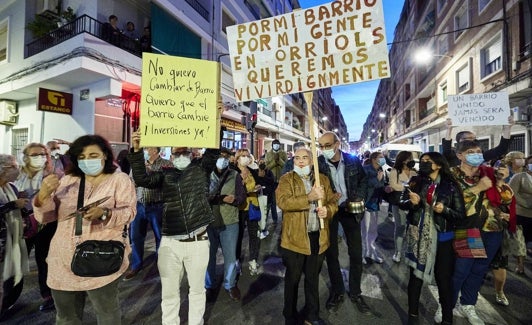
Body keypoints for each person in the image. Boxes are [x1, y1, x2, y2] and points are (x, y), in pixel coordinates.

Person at [33, 135, 136, 324]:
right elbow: (45, 217)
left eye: (93, 155)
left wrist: (104, 213)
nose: (87, 160)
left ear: (105, 155)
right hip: (62, 260)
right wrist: (42, 196)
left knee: (107, 313)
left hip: (101, 258)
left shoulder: (119, 180)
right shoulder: (68, 180)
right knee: (66, 317)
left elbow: (129, 213)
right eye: (82, 157)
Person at [128, 131, 217, 325]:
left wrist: (216, 121)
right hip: (170, 244)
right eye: (177, 153)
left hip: (198, 241)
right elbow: (142, 179)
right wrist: (136, 151)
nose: (181, 156)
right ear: (171, 156)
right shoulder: (165, 175)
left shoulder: (201, 170)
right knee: (169, 293)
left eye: (185, 152)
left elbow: (213, 151)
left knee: (197, 290)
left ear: (192, 154)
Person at [450, 140, 515, 325]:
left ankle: (468, 304)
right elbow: (455, 203)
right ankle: (448, 304)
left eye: (479, 151)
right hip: (468, 229)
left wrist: (501, 182)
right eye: (471, 151)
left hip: (493, 228)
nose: (477, 154)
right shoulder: (452, 175)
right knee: (461, 270)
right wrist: (478, 188)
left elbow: (507, 198)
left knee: (479, 270)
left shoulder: (489, 172)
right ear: (460, 155)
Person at [399, 152, 465, 325]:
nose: (423, 163)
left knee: (443, 280)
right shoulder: (416, 181)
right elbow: (401, 202)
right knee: (415, 278)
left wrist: (444, 210)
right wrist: (413, 203)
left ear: (439, 165)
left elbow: (460, 215)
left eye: (428, 161)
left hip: (443, 239)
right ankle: (412, 316)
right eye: (422, 161)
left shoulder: (450, 186)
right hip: (418, 238)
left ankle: (447, 319)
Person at [277, 148, 337, 325]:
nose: (301, 161)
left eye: (305, 158)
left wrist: (328, 210)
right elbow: (283, 202)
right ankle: (290, 315)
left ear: (311, 161)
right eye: (297, 158)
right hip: (294, 239)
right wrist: (309, 197)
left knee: (312, 280)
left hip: (317, 238)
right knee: (292, 280)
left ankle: (312, 315)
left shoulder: (323, 179)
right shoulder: (286, 179)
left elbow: (333, 202)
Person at [317, 131, 369, 314]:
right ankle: (338, 291)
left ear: (337, 144)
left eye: (328, 146)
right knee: (332, 254)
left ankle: (355, 292)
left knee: (356, 253)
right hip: (331, 211)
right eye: (321, 146)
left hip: (350, 210)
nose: (324, 150)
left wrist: (359, 198)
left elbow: (363, 180)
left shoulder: (352, 160)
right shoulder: (319, 164)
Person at [15, 143, 64, 312]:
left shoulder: (54, 173)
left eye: (43, 154)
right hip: (23, 224)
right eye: (35, 154)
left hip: (47, 223)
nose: (40, 157)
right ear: (26, 157)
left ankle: (48, 295)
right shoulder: (18, 174)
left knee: (45, 261)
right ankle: (9, 297)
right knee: (18, 262)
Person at [124, 147, 173, 281]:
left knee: (160, 238)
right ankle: (136, 265)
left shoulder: (166, 164)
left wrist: (151, 176)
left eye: (149, 147)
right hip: (139, 205)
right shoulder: (139, 164)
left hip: (157, 205)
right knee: (136, 237)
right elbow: (131, 182)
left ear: (156, 150)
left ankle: (161, 265)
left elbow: (170, 184)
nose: (146, 149)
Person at [205, 148, 246, 302]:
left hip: (230, 221)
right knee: (209, 257)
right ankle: (208, 285)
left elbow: (242, 197)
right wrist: (221, 198)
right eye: (220, 156)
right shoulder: (206, 174)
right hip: (209, 221)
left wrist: (234, 200)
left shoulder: (235, 175)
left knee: (230, 256)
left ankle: (230, 284)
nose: (223, 159)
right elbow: (202, 196)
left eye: (226, 156)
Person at [0, 154, 29, 314]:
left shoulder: (11, 187)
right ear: (4, 169)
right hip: (2, 241)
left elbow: (19, 209)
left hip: (15, 237)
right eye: (15, 166)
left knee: (13, 274)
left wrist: (22, 208)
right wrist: (12, 205)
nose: (18, 169)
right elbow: (9, 207)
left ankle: (7, 304)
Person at [442, 116, 514, 167]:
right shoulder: (452, 154)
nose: (473, 141)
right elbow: (446, 150)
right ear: (460, 140)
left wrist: (507, 129)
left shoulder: (479, 156)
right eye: (469, 138)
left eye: (474, 138)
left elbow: (501, 149)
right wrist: (449, 130)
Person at [233, 149, 262, 276]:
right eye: (242, 156)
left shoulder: (251, 171)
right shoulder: (233, 172)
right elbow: (234, 190)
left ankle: (253, 260)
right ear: (237, 158)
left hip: (252, 206)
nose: (245, 158)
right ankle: (236, 261)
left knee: (253, 235)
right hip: (240, 208)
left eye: (247, 156)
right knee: (237, 237)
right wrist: (243, 182)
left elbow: (259, 182)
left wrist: (258, 187)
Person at [388, 150, 417, 262]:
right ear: (403, 159)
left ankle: (410, 252)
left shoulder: (414, 172)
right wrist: (407, 187)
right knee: (400, 227)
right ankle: (398, 252)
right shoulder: (395, 171)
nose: (411, 161)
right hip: (399, 203)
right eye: (409, 158)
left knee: (411, 228)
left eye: (411, 158)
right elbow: (393, 185)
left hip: (412, 203)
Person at [508, 154, 532, 275]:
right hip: (520, 213)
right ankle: (520, 264)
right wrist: (527, 205)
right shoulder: (519, 177)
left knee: (528, 240)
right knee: (520, 240)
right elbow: (512, 194)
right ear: (527, 165)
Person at [362, 151, 386, 264]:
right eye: (381, 157)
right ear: (373, 159)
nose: (383, 159)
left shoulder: (380, 170)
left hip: (375, 203)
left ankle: (372, 253)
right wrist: (378, 179)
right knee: (364, 231)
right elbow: (365, 185)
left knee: (373, 231)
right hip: (366, 203)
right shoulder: (366, 169)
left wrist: (386, 189)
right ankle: (363, 254)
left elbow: (381, 186)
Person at [265, 139, 287, 223]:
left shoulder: (283, 153)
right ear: (272, 145)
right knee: (272, 201)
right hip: (271, 180)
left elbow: (285, 166)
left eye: (278, 144)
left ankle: (284, 218)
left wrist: (279, 160)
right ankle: (274, 219)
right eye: (275, 144)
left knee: (283, 199)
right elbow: (267, 167)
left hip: (281, 180)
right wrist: (274, 161)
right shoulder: (268, 154)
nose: (276, 146)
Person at [255, 157, 274, 238]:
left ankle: (264, 229)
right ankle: (259, 229)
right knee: (259, 214)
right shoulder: (255, 172)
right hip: (258, 197)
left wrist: (264, 176)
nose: (262, 164)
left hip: (267, 196)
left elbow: (271, 181)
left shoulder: (269, 172)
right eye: (260, 162)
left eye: (264, 163)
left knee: (265, 214)